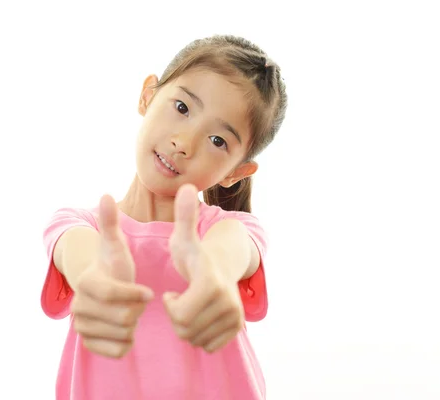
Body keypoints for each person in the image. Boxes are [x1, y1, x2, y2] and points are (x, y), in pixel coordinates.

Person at [41, 34, 287, 400]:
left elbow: (229, 251)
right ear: (148, 95)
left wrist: (212, 274)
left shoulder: (230, 231)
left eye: (218, 141)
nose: (184, 142)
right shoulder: (80, 226)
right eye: (183, 108)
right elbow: (79, 255)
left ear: (236, 172)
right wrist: (96, 277)